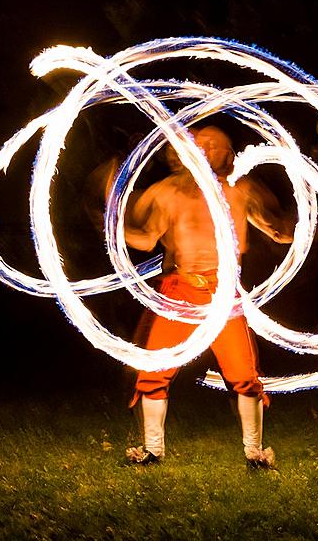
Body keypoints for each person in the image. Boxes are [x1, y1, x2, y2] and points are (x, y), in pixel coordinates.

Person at [117, 125, 295, 468]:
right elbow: (144, 239)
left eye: (214, 145)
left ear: (229, 155)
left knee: (243, 374)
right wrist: (111, 220)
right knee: (154, 372)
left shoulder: (242, 189)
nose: (204, 148)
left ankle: (256, 453)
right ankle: (151, 451)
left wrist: (305, 220)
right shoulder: (168, 192)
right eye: (199, 143)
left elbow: (279, 231)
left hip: (223, 296)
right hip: (179, 293)